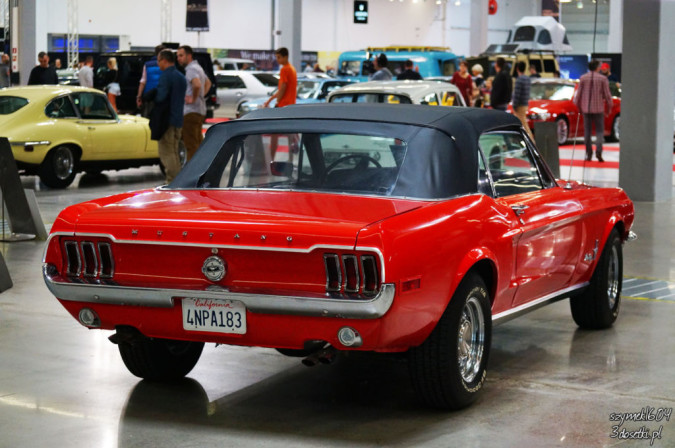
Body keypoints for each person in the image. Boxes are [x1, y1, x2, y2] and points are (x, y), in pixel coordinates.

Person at [149, 49, 187, 183]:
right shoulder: (181, 76)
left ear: (164, 60)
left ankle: (172, 181)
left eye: (158, 61)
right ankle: (177, 180)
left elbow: (161, 97)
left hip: (167, 121)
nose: (158, 64)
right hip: (178, 119)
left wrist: (152, 94)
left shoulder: (166, 76)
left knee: (167, 153)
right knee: (175, 151)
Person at [574, 59, 613, 162]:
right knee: (600, 131)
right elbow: (607, 96)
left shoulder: (583, 78)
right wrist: (609, 108)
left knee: (587, 132)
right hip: (599, 109)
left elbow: (578, 96)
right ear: (597, 68)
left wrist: (579, 108)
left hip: (586, 109)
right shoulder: (603, 79)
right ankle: (598, 152)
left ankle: (589, 153)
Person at [177, 45, 211, 161]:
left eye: (181, 56)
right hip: (200, 110)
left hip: (191, 112)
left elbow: (197, 84)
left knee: (191, 145)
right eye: (177, 56)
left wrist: (193, 98)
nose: (178, 58)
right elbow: (208, 83)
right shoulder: (198, 67)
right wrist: (202, 96)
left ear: (189, 56)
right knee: (198, 143)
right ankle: (203, 168)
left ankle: (192, 174)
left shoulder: (190, 69)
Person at [137, 45, 165, 117]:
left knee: (148, 117)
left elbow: (143, 82)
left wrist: (139, 96)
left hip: (149, 95)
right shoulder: (166, 64)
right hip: (163, 96)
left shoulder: (147, 65)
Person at [512, 61, 533, 139]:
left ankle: (530, 141)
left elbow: (516, 94)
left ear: (517, 69)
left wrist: (514, 105)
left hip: (519, 105)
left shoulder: (519, 79)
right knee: (523, 123)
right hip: (525, 103)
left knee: (523, 124)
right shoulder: (527, 79)